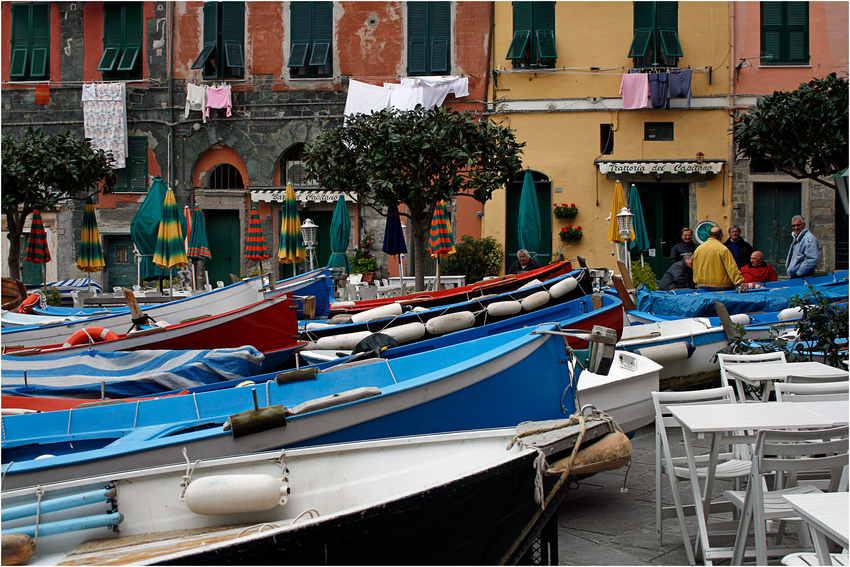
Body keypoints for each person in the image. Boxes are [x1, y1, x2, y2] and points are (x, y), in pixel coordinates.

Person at [692, 226, 744, 291]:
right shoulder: (723, 249)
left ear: (709, 235)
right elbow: (731, 268)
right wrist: (739, 282)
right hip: (722, 286)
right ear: (721, 236)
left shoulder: (698, 249)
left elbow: (695, 267)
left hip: (702, 286)